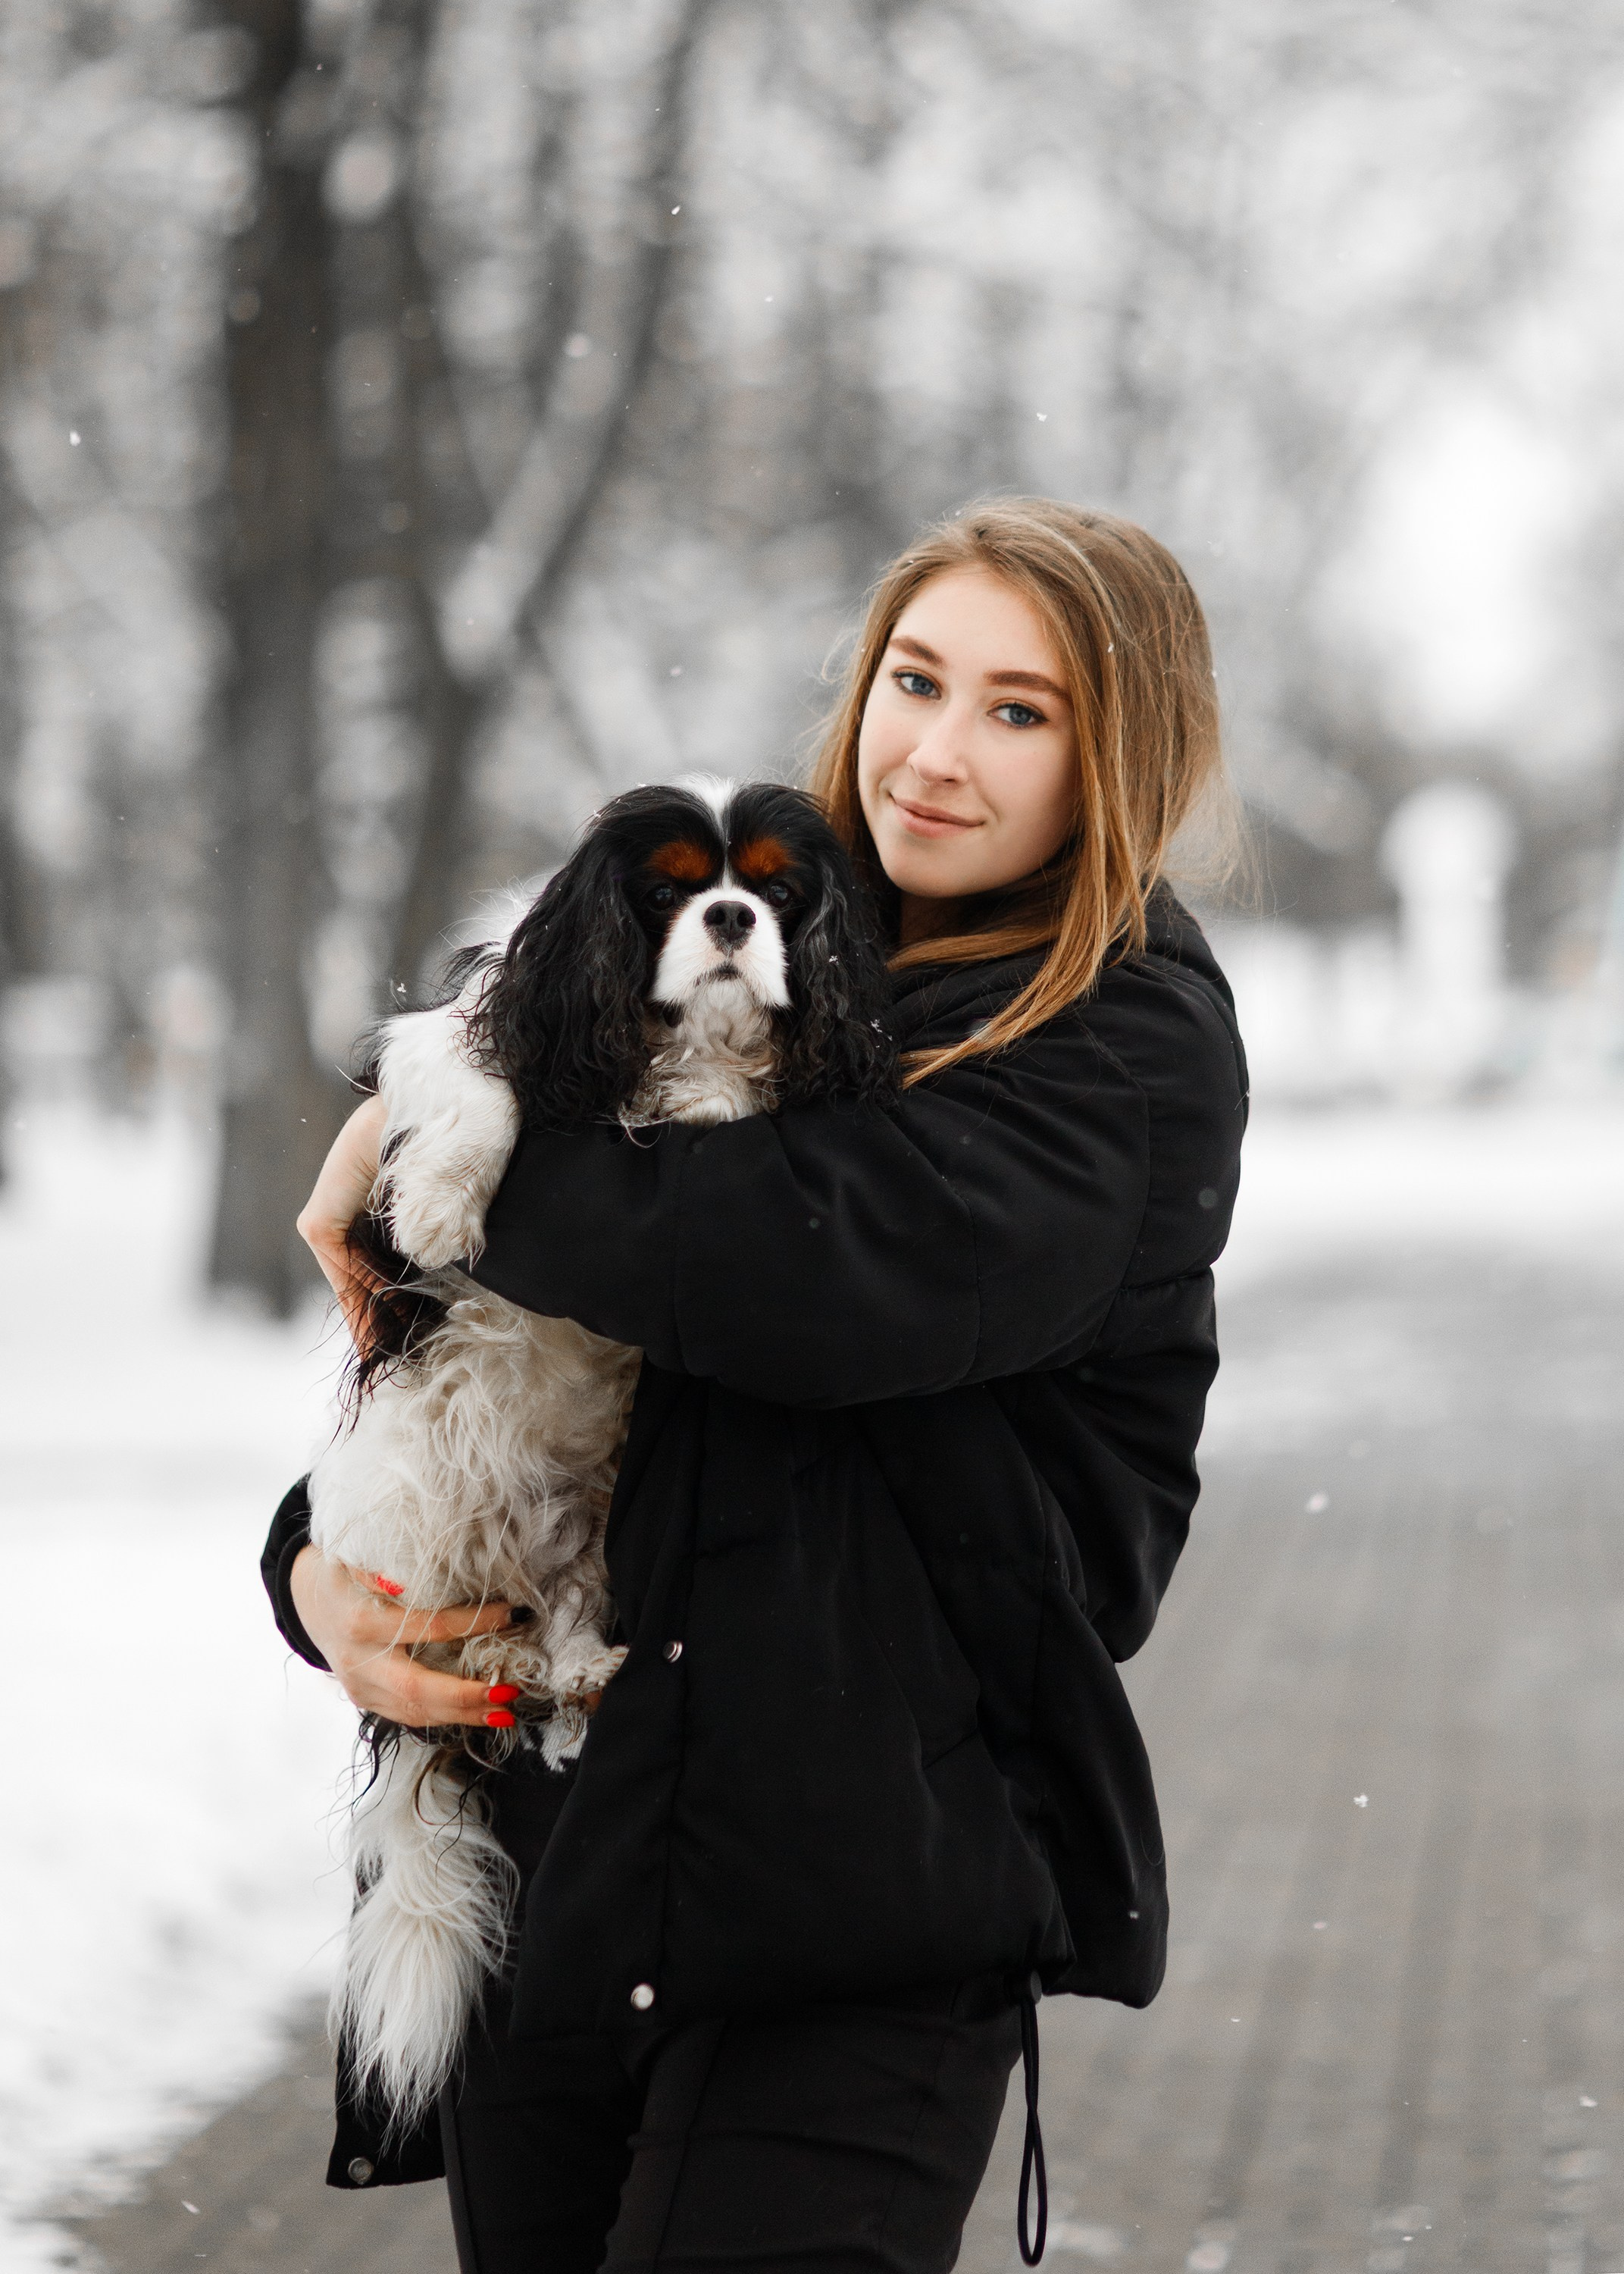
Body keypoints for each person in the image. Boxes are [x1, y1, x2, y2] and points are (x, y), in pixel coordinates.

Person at [265, 497, 1249, 2274]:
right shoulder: (745, 937)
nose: (938, 752)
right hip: (561, 1856)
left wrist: (428, 1127)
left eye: (1020, 712)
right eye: (916, 679)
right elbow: (523, 1369)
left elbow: (784, 1268)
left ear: (1123, 760)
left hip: (850, 1914)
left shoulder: (1123, 1040)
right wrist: (318, 1577)